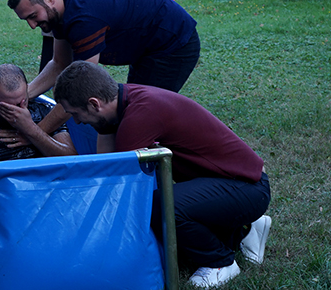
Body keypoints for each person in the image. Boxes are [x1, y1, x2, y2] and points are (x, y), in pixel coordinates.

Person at [53, 61, 271, 288]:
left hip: (248, 188)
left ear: (94, 103)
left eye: (75, 114)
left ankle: (219, 262)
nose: (77, 121)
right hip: (236, 182)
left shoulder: (140, 116)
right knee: (166, 211)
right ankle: (245, 231)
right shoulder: (126, 100)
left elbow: (119, 186)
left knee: (161, 207)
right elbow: (106, 167)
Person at [7, 0, 200, 105]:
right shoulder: (61, 6)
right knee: (132, 105)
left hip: (174, 42)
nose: (32, 25)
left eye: (33, 16)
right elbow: (59, 63)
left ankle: (165, 157)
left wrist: (35, 132)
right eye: (26, 19)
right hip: (147, 45)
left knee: (145, 109)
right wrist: (25, 95)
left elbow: (81, 87)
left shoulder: (84, 18)